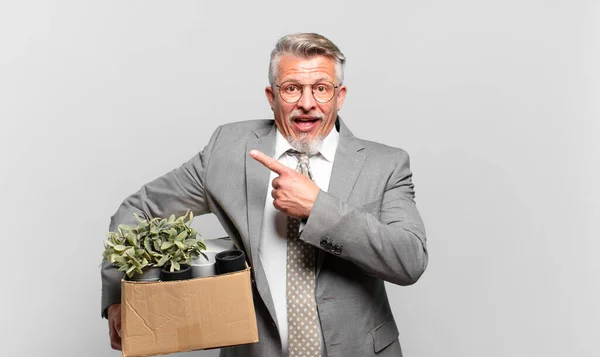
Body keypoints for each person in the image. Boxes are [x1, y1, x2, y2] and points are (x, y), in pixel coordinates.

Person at [101, 32, 428, 357]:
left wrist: (318, 208)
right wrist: (120, 296)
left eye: (321, 89)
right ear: (271, 96)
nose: (306, 103)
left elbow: (409, 260)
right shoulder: (227, 150)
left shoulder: (385, 164)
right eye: (292, 89)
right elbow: (139, 209)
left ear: (339, 96)